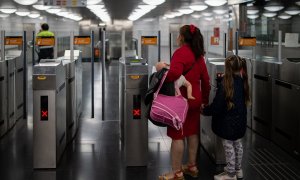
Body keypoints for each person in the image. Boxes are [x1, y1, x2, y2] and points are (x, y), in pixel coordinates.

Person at [158, 24, 210, 180]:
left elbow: (174, 74)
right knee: (192, 131)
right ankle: (192, 166)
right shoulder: (198, 55)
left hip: (181, 102)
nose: (177, 37)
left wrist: (161, 71)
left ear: (182, 37)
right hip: (196, 100)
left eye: (179, 35)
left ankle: (176, 173)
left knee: (178, 136)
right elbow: (206, 80)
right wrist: (204, 100)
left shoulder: (180, 53)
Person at [202, 55, 251, 180]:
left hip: (227, 124)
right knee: (238, 145)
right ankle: (238, 170)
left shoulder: (225, 84)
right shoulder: (242, 81)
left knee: (229, 148)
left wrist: (204, 110)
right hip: (240, 122)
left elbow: (217, 106)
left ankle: (230, 174)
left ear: (227, 68)